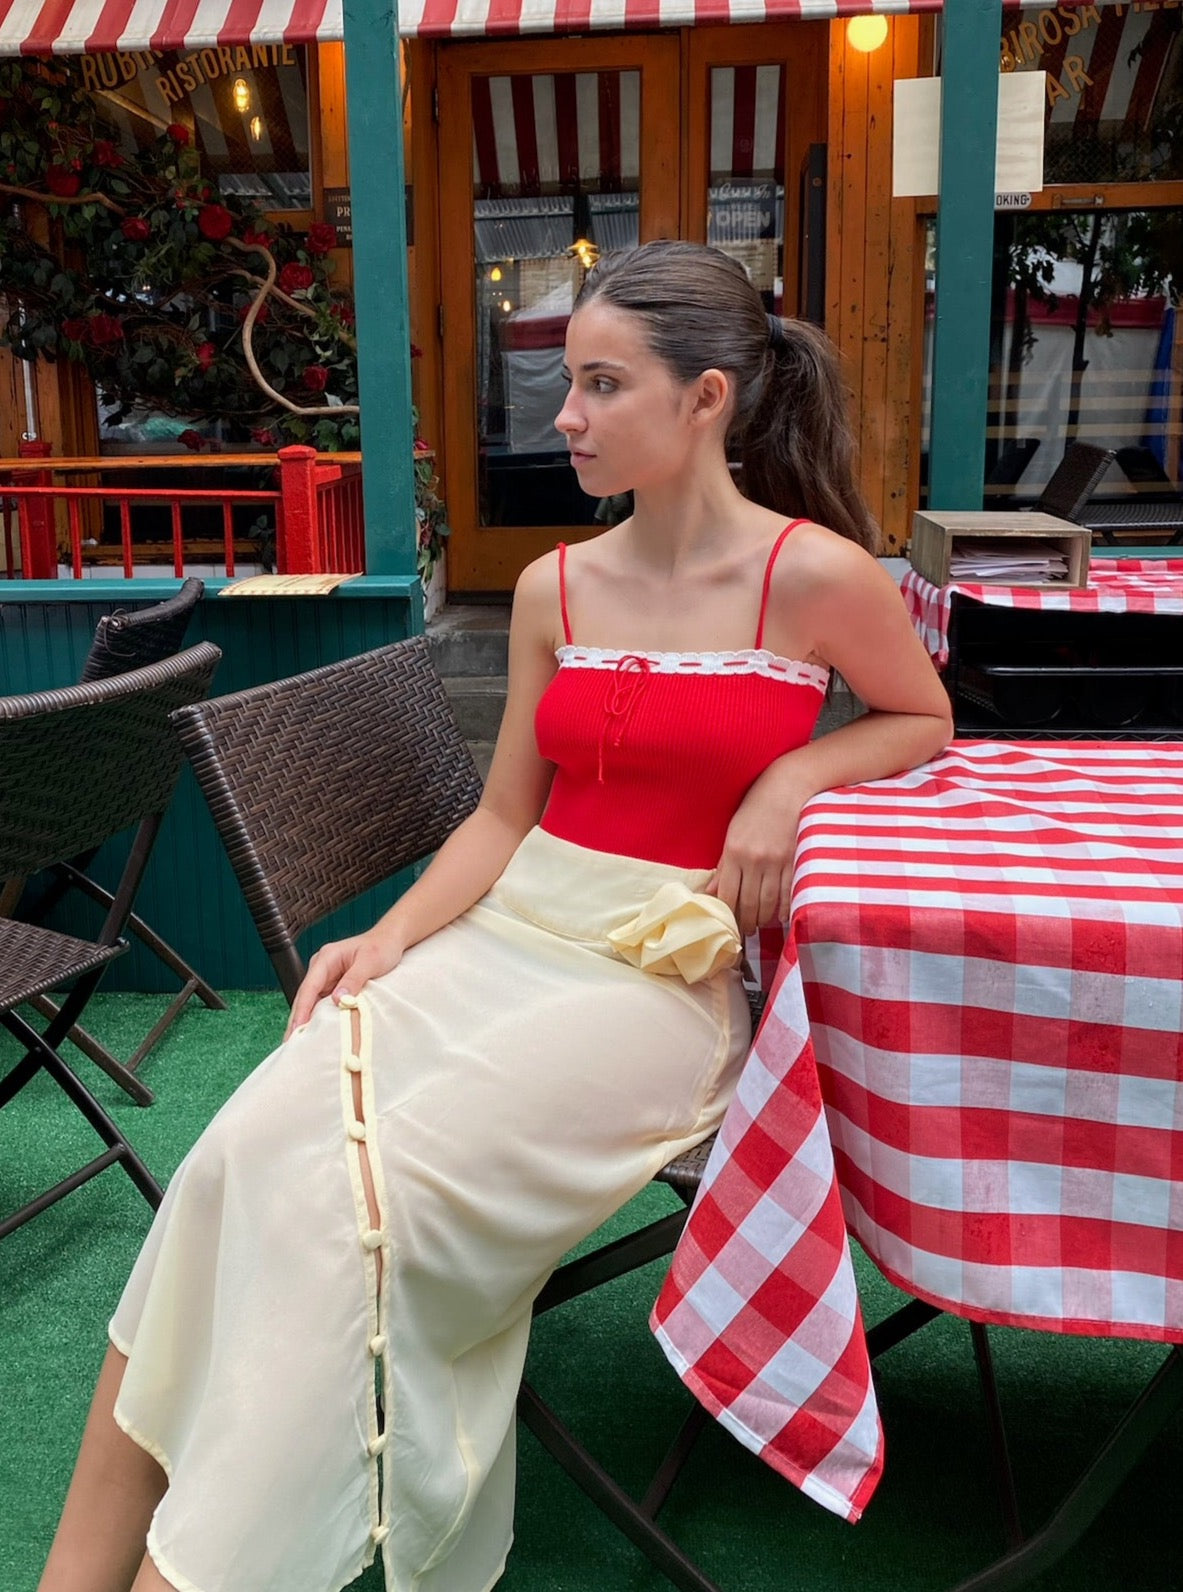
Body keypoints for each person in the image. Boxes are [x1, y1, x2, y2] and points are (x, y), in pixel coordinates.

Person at [39, 240, 952, 1592]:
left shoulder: (814, 578)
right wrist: (392, 935)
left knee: (367, 1219)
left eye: (600, 384)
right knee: (235, 1161)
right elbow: (503, 816)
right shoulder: (552, 588)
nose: (565, 417)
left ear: (707, 399)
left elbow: (922, 719)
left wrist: (790, 780)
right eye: (566, 382)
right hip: (508, 934)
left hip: (655, 984)